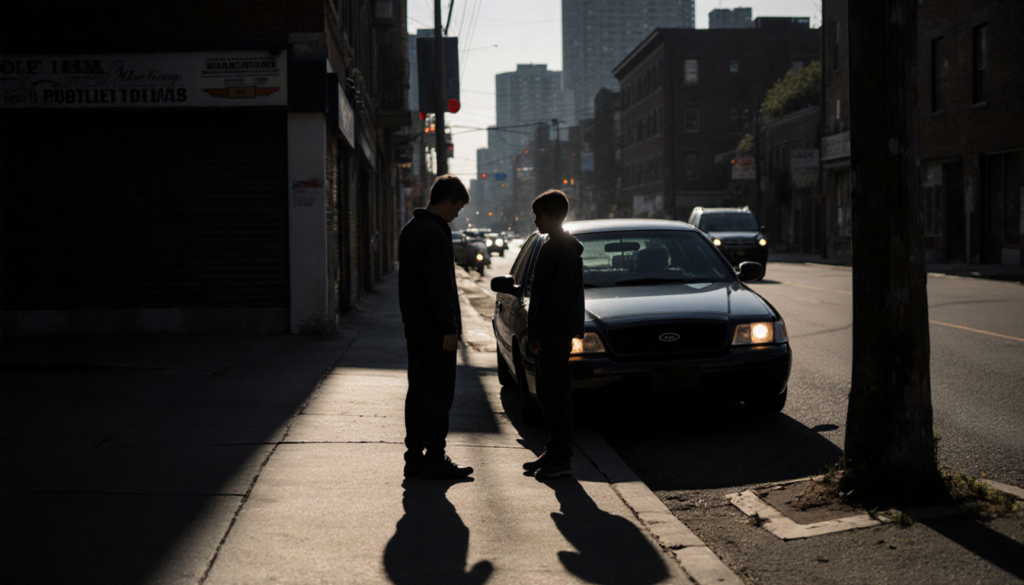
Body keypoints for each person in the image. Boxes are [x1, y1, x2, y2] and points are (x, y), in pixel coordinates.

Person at [398, 175, 474, 480]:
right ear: (447, 201)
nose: (457, 214)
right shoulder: (436, 234)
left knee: (417, 392)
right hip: (436, 331)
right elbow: (439, 287)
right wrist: (450, 328)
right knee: (439, 395)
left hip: (415, 328)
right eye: (457, 207)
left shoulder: (410, 230)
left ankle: (414, 458)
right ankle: (435, 458)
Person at [522, 190, 585, 480]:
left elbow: (557, 298)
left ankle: (562, 459)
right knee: (548, 394)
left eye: (540, 215)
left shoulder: (562, 249)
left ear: (555, 216)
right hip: (550, 334)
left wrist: (538, 331)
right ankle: (555, 451)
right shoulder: (553, 245)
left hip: (554, 335)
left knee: (556, 395)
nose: (535, 220)